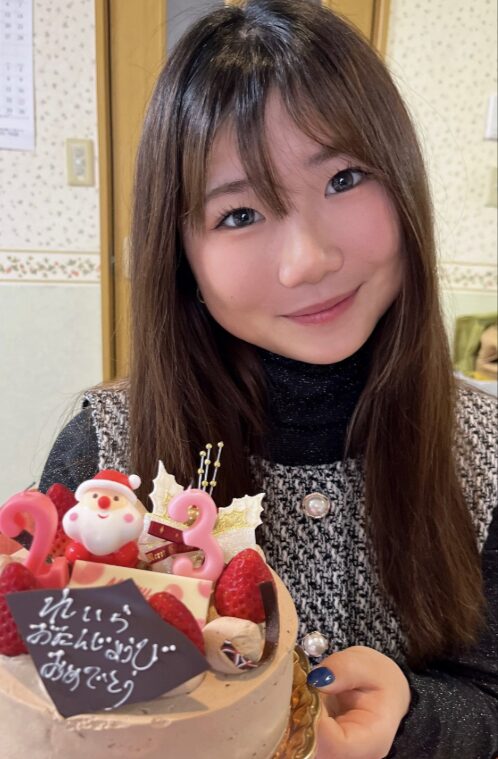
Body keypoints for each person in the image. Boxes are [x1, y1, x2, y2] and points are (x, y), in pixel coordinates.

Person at [39, 1, 497, 757]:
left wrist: (411, 718)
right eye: (240, 215)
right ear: (180, 253)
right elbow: (68, 714)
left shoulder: (483, 449)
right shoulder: (106, 456)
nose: (307, 261)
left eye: (345, 177)